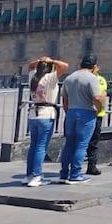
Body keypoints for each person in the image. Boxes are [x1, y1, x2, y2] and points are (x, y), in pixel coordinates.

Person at [58, 54, 106, 184]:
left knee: (69, 144)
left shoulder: (69, 78)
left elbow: (65, 100)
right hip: (86, 113)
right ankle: (75, 174)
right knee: (81, 145)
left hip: (71, 113)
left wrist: (68, 111)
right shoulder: (92, 78)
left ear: (81, 64)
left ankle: (64, 174)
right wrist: (98, 109)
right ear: (94, 66)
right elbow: (97, 98)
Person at [22, 56, 69, 187]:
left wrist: (40, 60)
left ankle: (29, 175)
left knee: (33, 145)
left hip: (33, 114)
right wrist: (51, 61)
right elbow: (64, 66)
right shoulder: (50, 77)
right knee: (41, 147)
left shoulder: (33, 77)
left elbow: (30, 66)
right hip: (46, 114)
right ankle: (36, 176)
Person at [85, 63, 112, 176]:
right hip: (86, 113)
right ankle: (74, 168)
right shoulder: (84, 78)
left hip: (98, 115)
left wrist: (106, 92)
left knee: (94, 141)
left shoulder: (102, 79)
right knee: (82, 141)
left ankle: (91, 166)